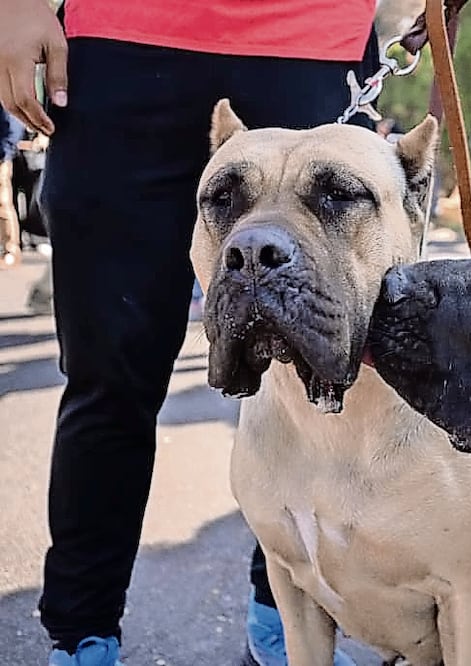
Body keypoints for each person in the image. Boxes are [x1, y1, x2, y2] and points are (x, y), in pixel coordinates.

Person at [0, 1, 379, 664]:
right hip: (121, 44)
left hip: (312, 41)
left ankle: (289, 627)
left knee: (310, 374)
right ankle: (82, 637)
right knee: (108, 372)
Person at [1, 107, 26, 266]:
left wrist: (5, 151)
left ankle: (11, 248)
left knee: (3, 204)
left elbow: (14, 123)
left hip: (2, 157)